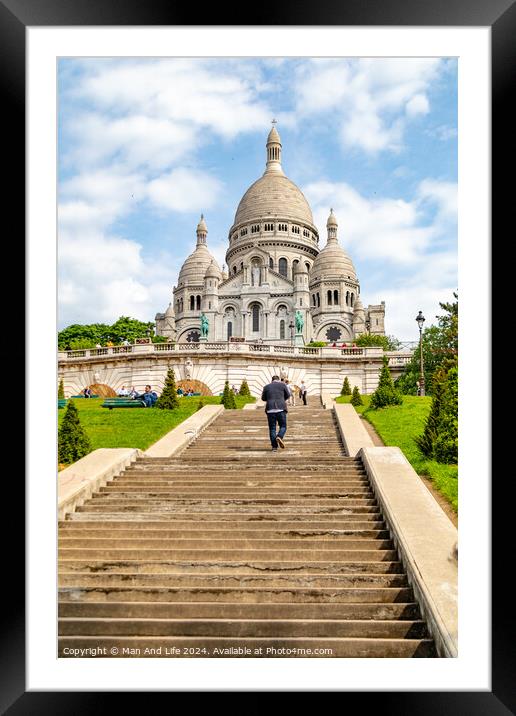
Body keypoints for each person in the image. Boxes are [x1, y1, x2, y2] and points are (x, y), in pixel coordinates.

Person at [261, 375, 290, 452]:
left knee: (272, 428)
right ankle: (280, 436)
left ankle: (274, 447)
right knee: (283, 426)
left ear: (272, 380)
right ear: (278, 379)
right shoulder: (283, 385)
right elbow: (288, 395)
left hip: (270, 409)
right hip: (281, 408)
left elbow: (263, 398)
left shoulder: (266, 387)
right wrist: (281, 399)